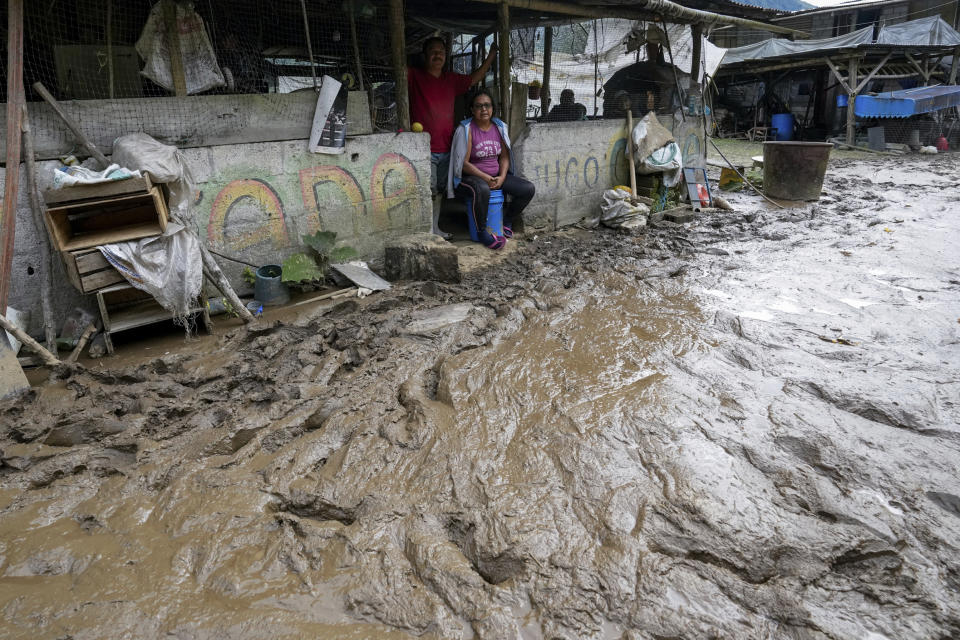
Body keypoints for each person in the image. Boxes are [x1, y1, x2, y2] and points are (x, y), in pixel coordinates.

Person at [408, 37, 497, 238]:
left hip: (447, 148)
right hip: (423, 148)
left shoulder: (451, 80)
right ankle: (424, 231)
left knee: (439, 191)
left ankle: (435, 229)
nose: (437, 54)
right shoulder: (414, 76)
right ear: (425, 55)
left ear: (446, 56)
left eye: (441, 51)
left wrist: (491, 56)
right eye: (433, 51)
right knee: (426, 191)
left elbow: (474, 78)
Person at [449, 89, 535, 249]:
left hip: (495, 176)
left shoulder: (499, 127)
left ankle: (507, 219)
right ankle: (482, 233)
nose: (483, 109)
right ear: (472, 110)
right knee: (482, 189)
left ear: (492, 108)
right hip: (470, 179)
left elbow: (504, 157)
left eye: (487, 105)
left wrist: (502, 177)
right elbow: (464, 164)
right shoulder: (466, 129)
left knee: (527, 189)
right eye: (479, 106)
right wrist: (486, 178)